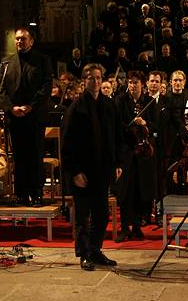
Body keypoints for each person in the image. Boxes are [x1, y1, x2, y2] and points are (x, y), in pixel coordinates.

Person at [61, 63, 122, 271]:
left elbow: (116, 136)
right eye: (91, 78)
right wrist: (75, 171)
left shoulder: (109, 104)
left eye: (98, 78)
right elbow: (67, 143)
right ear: (84, 81)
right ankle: (84, 254)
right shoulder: (75, 107)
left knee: (102, 214)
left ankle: (95, 250)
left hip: (103, 169)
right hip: (83, 171)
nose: (96, 81)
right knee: (83, 217)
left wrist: (117, 163)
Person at [0, 27, 52, 206]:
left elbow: (45, 88)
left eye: (23, 39)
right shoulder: (6, 63)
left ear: (31, 41)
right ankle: (20, 193)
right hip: (14, 116)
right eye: (17, 39)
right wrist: (11, 108)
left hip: (34, 115)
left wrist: (30, 106)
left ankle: (36, 193)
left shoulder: (43, 61)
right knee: (19, 156)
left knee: (35, 154)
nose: (19, 42)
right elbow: (1, 90)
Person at [114, 71, 157, 242]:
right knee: (125, 190)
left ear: (143, 84)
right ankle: (125, 227)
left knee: (140, 189)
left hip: (143, 151)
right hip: (126, 149)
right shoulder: (120, 100)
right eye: (130, 82)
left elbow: (156, 124)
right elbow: (118, 124)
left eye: (136, 83)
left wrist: (145, 123)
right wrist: (131, 127)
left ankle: (137, 226)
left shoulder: (149, 102)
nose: (133, 85)